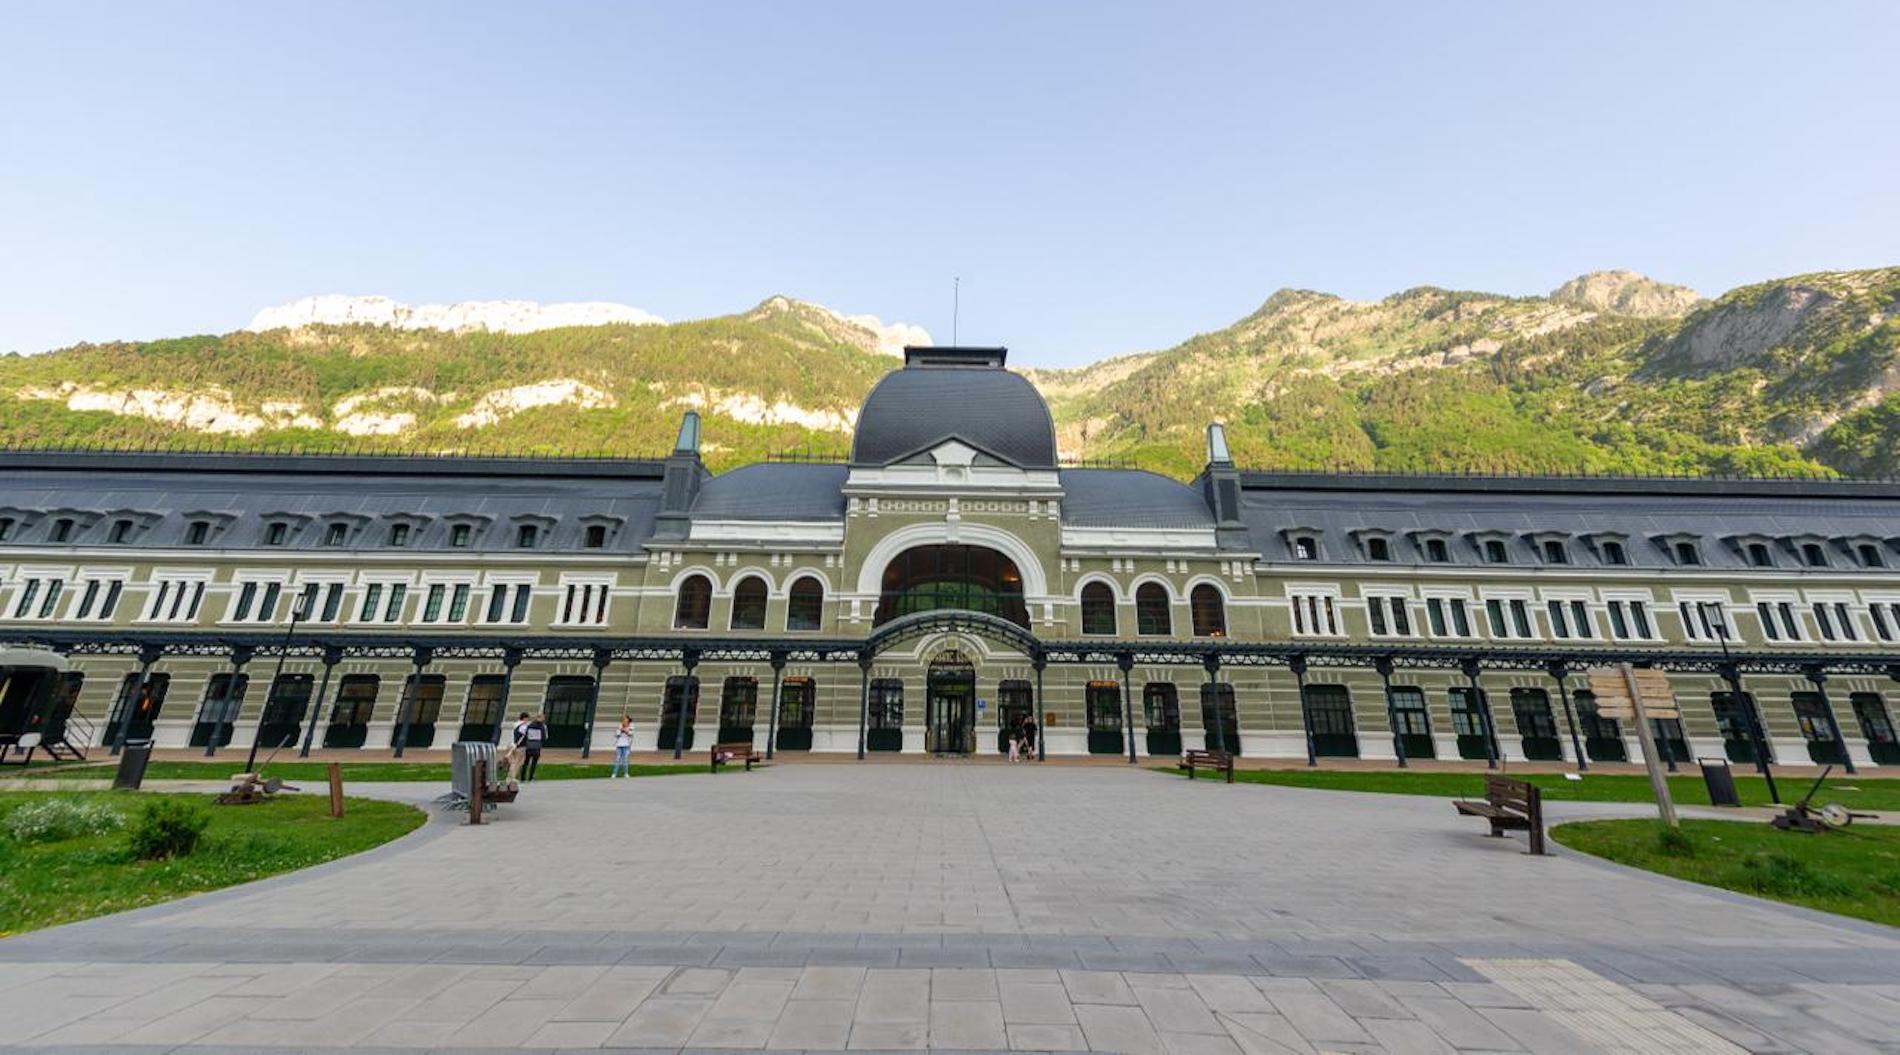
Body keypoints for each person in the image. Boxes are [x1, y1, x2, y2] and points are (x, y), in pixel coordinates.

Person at [518, 712, 548, 781]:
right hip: (537, 746)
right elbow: (544, 737)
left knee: (526, 761)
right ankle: (531, 777)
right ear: (542, 718)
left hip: (529, 746)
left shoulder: (530, 725)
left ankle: (523, 777)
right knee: (534, 763)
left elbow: (526, 734)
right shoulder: (543, 726)